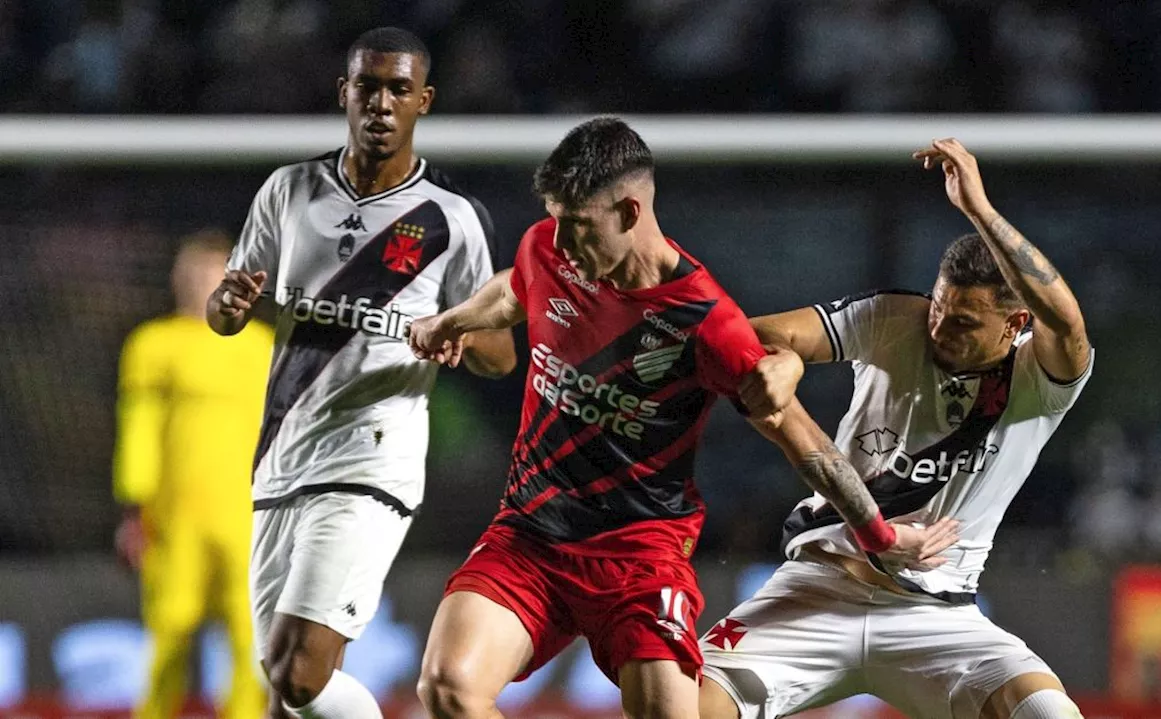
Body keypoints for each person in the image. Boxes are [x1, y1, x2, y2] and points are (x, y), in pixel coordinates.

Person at [404, 117, 959, 719]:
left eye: (578, 225)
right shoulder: (549, 250)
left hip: (639, 557)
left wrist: (878, 535)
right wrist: (452, 322)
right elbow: (518, 289)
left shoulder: (705, 321)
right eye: (556, 218)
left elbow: (805, 443)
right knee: (447, 689)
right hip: (530, 536)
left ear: (629, 211)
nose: (560, 240)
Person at [698, 138, 1094, 719]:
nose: (939, 329)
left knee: (1050, 714)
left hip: (937, 620)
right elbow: (751, 337)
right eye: (938, 307)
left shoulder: (1042, 378)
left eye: (962, 322)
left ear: (1016, 324)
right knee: (672, 708)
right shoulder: (892, 319)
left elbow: (1066, 318)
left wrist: (979, 211)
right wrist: (790, 359)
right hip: (815, 589)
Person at [207, 27, 517, 719]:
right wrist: (225, 304)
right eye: (368, 86)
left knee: (298, 672)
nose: (381, 103)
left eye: (398, 90)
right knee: (285, 692)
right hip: (281, 458)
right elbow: (233, 306)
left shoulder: (449, 219)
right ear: (343, 92)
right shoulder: (287, 193)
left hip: (369, 464)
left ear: (424, 101)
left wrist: (457, 332)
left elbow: (502, 355)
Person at [114, 229, 270, 719]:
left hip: (248, 514)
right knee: (171, 630)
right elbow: (139, 427)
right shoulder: (153, 344)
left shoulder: (264, 347)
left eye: (215, 274)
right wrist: (135, 506)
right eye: (195, 273)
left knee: (249, 636)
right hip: (175, 514)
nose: (204, 283)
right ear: (177, 279)